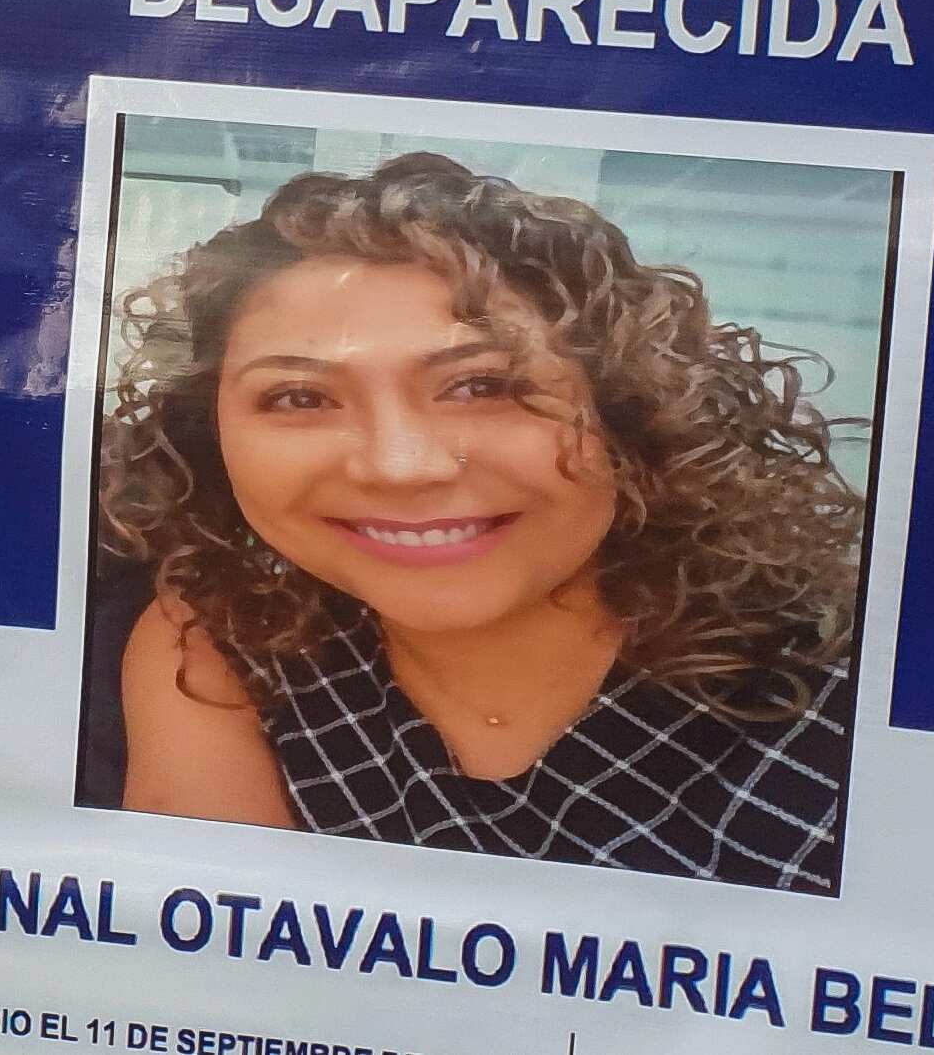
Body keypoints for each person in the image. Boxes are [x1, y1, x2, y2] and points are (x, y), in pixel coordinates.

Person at [97, 155, 864, 894]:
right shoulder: (224, 641)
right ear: (210, 438)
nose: (400, 466)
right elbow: (214, 997)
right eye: (298, 398)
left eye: (482, 385)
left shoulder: (835, 701)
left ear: (623, 416)